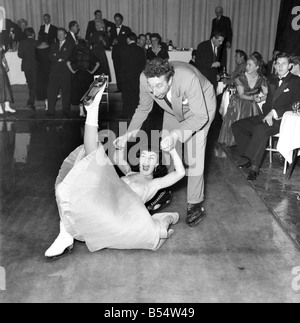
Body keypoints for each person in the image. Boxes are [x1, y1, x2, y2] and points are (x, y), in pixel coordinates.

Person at [44, 87, 185, 259]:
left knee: (93, 158)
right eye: (144, 156)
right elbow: (118, 157)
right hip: (106, 199)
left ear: (157, 165)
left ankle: (92, 112)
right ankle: (91, 111)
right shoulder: (129, 171)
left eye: (151, 158)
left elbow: (180, 173)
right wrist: (122, 141)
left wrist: (172, 150)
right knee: (84, 168)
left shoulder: (154, 184)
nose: (146, 161)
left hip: (120, 214)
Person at [114, 58, 216, 227]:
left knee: (194, 156)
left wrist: (177, 134)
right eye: (150, 86)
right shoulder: (145, 79)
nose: (153, 91)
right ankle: (163, 186)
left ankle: (194, 204)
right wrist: (127, 134)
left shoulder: (187, 79)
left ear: (170, 80)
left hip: (201, 108)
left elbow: (201, 116)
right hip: (173, 107)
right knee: (167, 146)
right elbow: (143, 108)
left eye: (158, 86)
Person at [232, 53, 300, 181]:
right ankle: (248, 157)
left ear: (290, 66)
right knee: (237, 126)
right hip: (266, 116)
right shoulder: (272, 79)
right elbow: (268, 101)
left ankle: (254, 168)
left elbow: (294, 105)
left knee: (260, 129)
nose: (280, 66)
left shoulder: (296, 81)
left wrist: (274, 113)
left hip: (282, 120)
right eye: (278, 63)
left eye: (283, 63)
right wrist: (266, 112)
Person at [218, 54, 268, 147]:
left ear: (257, 67)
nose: (247, 67)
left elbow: (267, 94)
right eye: (247, 64)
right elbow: (241, 95)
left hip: (253, 104)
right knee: (237, 122)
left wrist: (260, 98)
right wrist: (253, 98)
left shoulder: (262, 79)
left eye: (250, 65)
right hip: (239, 104)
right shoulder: (240, 77)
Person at [67, 39, 100, 117]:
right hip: (87, 75)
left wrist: (73, 71)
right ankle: (88, 111)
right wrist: (92, 72)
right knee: (87, 93)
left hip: (78, 75)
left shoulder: (75, 53)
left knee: (79, 94)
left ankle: (81, 112)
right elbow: (98, 64)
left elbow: (68, 63)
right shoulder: (89, 53)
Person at [47, 28, 75, 118]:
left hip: (65, 72)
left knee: (66, 92)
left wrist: (56, 56)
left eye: (61, 34)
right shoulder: (53, 45)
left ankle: (66, 111)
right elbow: (50, 56)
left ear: (65, 35)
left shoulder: (70, 44)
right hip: (54, 72)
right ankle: (51, 111)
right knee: (52, 92)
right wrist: (58, 58)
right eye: (58, 34)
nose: (59, 36)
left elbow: (66, 56)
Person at [120, 32, 146, 118]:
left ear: (128, 39)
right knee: (135, 94)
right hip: (136, 76)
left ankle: (126, 113)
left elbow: (121, 64)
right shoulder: (140, 50)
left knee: (126, 95)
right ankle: (135, 112)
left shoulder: (124, 49)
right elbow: (143, 64)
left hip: (126, 76)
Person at [109, 13, 132, 92]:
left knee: (125, 71)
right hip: (115, 54)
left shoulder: (127, 29)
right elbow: (108, 40)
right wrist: (112, 42)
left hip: (124, 53)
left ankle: (126, 87)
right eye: (115, 20)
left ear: (121, 20)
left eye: (118, 20)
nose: (117, 22)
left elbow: (129, 41)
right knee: (117, 71)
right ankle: (119, 88)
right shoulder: (111, 29)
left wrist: (119, 41)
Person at [18, 27, 38, 111]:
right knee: (34, 84)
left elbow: (20, 55)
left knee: (30, 83)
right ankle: (31, 102)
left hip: (26, 66)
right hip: (35, 65)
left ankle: (31, 100)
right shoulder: (37, 42)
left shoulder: (22, 43)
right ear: (33, 34)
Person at [36, 33, 51, 110]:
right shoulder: (49, 47)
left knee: (43, 86)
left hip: (40, 69)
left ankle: (46, 104)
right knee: (49, 85)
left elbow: (36, 60)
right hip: (48, 68)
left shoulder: (37, 48)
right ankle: (49, 102)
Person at [0, 46, 15, 115]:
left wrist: (6, 65)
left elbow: (3, 56)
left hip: (1, 69)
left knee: (5, 86)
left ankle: (7, 106)